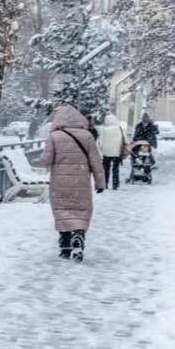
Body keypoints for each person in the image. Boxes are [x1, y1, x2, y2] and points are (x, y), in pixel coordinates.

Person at [32, 105, 106, 262]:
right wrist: (100, 183)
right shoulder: (87, 136)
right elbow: (96, 162)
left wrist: (34, 162)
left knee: (62, 211)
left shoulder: (55, 136)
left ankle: (65, 245)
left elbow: (46, 160)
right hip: (81, 182)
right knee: (80, 210)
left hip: (60, 182)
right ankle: (78, 236)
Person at [96, 113, 129, 189]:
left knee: (106, 169)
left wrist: (100, 150)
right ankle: (115, 184)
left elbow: (99, 142)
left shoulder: (104, 130)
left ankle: (105, 183)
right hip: (117, 153)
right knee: (116, 169)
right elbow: (126, 140)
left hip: (106, 153)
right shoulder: (120, 128)